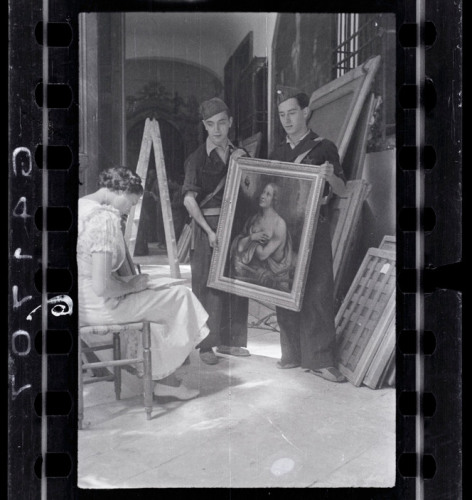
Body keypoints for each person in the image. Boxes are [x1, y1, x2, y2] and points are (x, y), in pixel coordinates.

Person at [77, 166, 210, 400]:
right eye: (131, 202)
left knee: (159, 303)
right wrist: (132, 286)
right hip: (103, 306)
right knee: (181, 296)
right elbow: (101, 286)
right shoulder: (104, 219)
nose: (130, 208)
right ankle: (166, 379)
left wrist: (131, 282)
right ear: (121, 191)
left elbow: (89, 272)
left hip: (80, 303)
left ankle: (163, 378)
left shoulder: (80, 206)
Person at [269, 84, 347, 383]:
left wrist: (330, 176)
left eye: (292, 113)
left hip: (314, 227)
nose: (286, 120)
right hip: (284, 229)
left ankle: (321, 359)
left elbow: (342, 189)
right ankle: (291, 354)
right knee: (283, 286)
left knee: (317, 289)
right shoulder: (276, 152)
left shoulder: (324, 147)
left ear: (305, 112)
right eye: (281, 115)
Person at [182, 97, 250, 364]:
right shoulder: (197, 158)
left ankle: (231, 342)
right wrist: (209, 232)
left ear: (230, 122)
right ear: (204, 126)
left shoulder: (241, 154)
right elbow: (189, 199)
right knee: (207, 286)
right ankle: (206, 346)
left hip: (236, 228)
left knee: (236, 281)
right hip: (207, 228)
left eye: (222, 122)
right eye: (211, 124)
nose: (217, 129)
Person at [230, 182, 294, 292]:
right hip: (252, 275)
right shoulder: (254, 219)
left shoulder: (279, 224)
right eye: (263, 192)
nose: (263, 196)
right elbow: (239, 247)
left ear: (274, 199)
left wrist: (249, 241)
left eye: (268, 194)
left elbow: (263, 255)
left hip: (275, 280)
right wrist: (253, 237)